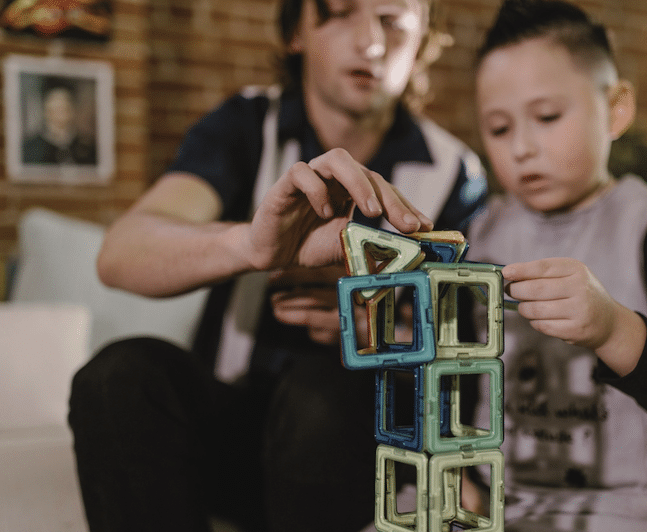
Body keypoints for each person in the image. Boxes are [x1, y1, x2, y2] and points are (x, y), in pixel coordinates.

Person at [67, 0, 488, 530]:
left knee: (324, 389)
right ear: (296, 31)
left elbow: (468, 357)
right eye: (340, 12)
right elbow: (121, 254)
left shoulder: (456, 173)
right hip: (233, 428)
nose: (371, 43)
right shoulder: (247, 124)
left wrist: (379, 332)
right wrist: (253, 246)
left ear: (424, 37)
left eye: (393, 21)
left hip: (354, 439)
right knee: (119, 376)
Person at [465, 1, 647, 530]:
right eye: (499, 129)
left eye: (548, 117)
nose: (523, 147)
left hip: (634, 511)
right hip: (503, 505)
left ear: (616, 109)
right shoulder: (480, 231)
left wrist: (614, 327)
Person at [22, 83, 97, 165]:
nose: (60, 114)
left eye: (64, 108)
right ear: (46, 112)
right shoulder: (29, 149)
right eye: (54, 110)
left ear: (72, 110)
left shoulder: (88, 147)